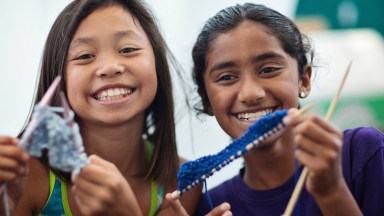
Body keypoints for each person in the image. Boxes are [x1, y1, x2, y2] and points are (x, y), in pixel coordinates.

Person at [0, 0, 232, 215]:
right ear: (58, 76)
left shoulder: (182, 182)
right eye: (85, 56)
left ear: (157, 64)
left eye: (128, 50)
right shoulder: (27, 173)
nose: (110, 67)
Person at [190, 3, 384, 216]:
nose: (250, 93)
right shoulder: (213, 205)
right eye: (227, 77)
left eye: (268, 70)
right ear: (207, 100)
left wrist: (331, 192)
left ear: (304, 79)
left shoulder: (362, 153)